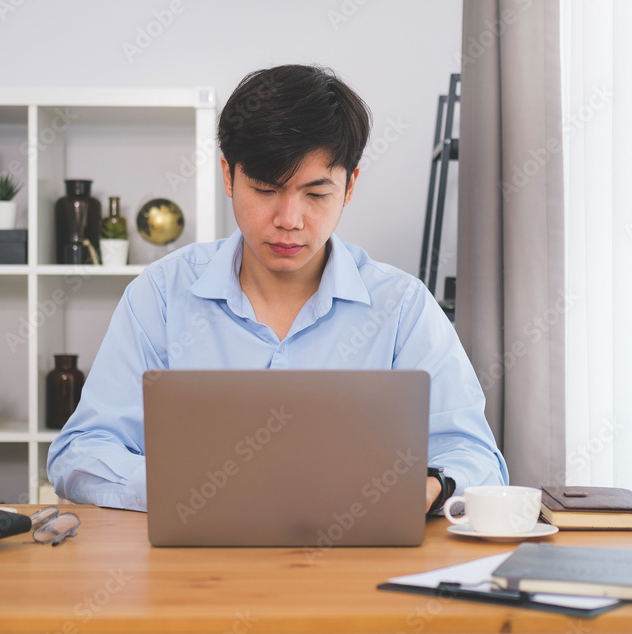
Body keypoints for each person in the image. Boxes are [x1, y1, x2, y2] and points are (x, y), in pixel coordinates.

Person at [47, 64, 508, 515]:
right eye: (266, 189)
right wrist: (183, 489)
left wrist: (429, 488)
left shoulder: (402, 307)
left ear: (349, 188)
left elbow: (475, 458)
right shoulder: (163, 295)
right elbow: (81, 451)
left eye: (316, 194)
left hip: (356, 571)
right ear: (229, 176)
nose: (289, 219)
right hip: (192, 572)